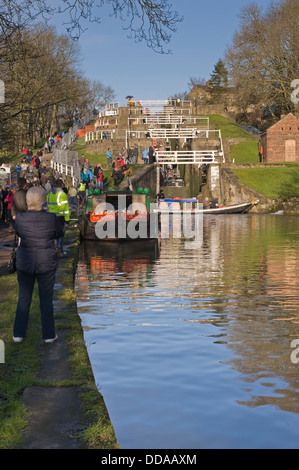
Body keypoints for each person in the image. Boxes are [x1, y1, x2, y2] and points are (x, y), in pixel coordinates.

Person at [12, 186, 64, 344]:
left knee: (24, 298)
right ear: (44, 201)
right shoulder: (51, 218)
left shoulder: (20, 218)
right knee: (46, 300)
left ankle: (18, 334)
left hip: (25, 262)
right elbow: (58, 233)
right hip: (46, 261)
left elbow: (19, 232)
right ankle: (48, 335)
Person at [46, 179, 70, 258]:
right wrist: (67, 220)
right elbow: (65, 209)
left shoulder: (49, 194)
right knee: (60, 236)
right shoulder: (62, 195)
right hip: (60, 218)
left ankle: (52, 252)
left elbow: (46, 206)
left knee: (52, 236)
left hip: (50, 217)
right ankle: (60, 252)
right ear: (62, 185)